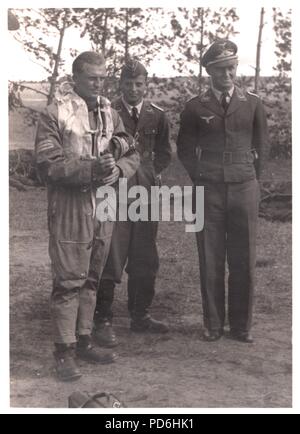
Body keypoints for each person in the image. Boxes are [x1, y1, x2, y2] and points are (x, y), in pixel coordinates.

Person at [35, 51, 140, 381]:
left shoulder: (109, 111)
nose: (99, 83)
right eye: (92, 78)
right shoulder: (56, 112)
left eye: (102, 77)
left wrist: (117, 169)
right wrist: (88, 169)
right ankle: (63, 351)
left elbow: (129, 145)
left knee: (94, 273)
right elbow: (47, 164)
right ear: (76, 77)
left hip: (104, 200)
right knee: (69, 277)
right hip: (71, 203)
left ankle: (83, 341)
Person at [177, 39, 269, 343]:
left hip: (244, 187)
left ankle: (242, 326)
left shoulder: (252, 103)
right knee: (210, 256)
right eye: (220, 70)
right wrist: (201, 177)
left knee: (244, 257)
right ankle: (213, 324)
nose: (227, 75)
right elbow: (185, 149)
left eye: (231, 68)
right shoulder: (195, 106)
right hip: (208, 190)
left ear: (236, 68)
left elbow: (262, 147)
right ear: (210, 72)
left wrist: (251, 181)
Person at [95, 60, 172, 347]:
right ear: (120, 85)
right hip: (114, 190)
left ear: (146, 85)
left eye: (139, 83)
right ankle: (102, 319)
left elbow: (164, 153)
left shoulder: (157, 116)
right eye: (128, 84)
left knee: (144, 253)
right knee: (111, 252)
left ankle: (140, 315)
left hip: (146, 192)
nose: (134, 89)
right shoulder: (108, 113)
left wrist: (150, 174)